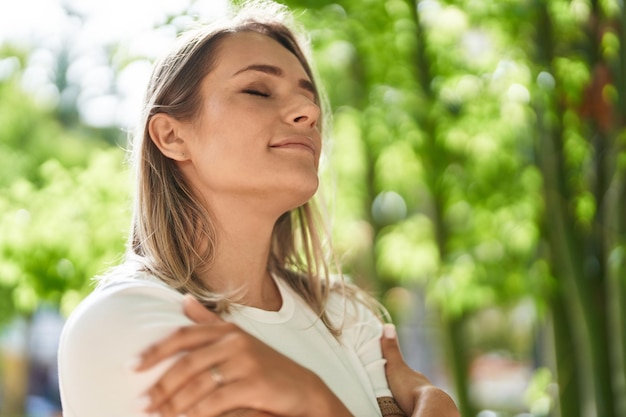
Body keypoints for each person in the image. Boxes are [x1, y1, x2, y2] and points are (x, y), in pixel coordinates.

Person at [57, 1, 460, 416]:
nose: (311, 112)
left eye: (308, 97)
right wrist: (314, 400)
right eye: (257, 90)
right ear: (172, 135)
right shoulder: (123, 322)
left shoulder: (343, 314)